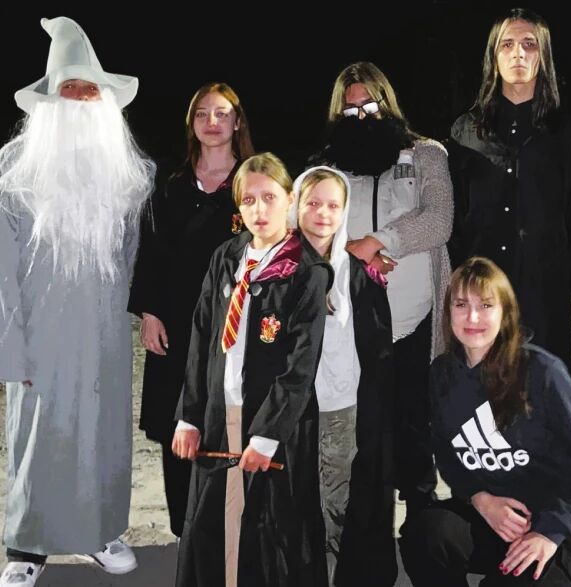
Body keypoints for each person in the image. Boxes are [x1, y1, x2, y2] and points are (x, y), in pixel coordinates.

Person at [0, 16, 155, 587]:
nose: (80, 99)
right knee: (39, 437)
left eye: (89, 90)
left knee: (101, 433)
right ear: (49, 99)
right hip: (40, 335)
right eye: (69, 89)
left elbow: (135, 258)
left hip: (102, 335)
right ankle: (27, 546)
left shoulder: (128, 173)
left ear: (104, 100)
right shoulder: (14, 168)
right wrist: (9, 351)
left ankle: (99, 531)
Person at [172, 153, 331, 587]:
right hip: (219, 414)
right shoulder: (227, 257)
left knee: (267, 533)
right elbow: (202, 336)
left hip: (270, 422)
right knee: (212, 524)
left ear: (290, 199)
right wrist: (189, 415)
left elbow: (301, 365)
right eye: (248, 200)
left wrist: (267, 435)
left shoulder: (306, 272)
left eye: (269, 197)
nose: (259, 210)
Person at [402, 257, 571, 586]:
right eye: (461, 304)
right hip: (492, 517)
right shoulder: (442, 374)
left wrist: (549, 533)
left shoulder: (542, 371)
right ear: (448, 311)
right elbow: (448, 454)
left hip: (555, 526)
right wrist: (480, 499)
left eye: (486, 305)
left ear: (505, 312)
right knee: (426, 534)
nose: (473, 317)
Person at [313, 61, 453, 522]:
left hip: (417, 319)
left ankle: (423, 531)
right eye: (350, 109)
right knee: (364, 434)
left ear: (387, 102)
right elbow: (312, 230)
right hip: (354, 322)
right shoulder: (325, 164)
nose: (362, 115)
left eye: (370, 105)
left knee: (416, 428)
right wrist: (354, 255)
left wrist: (379, 241)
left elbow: (439, 219)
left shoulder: (426, 153)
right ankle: (365, 534)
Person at [127, 82, 254, 537]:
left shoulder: (253, 182)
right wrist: (149, 313)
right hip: (177, 324)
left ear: (237, 122)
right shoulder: (171, 184)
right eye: (202, 114)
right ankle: (186, 531)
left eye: (221, 113)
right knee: (177, 424)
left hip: (236, 326)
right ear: (191, 124)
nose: (211, 122)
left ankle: (234, 528)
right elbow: (151, 250)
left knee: (230, 423)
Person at [447, 8, 571, 381]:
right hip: (482, 296)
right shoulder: (465, 132)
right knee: (481, 397)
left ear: (543, 56)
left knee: (542, 395)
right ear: (493, 56)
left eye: (529, 44)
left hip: (544, 295)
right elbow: (455, 220)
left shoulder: (568, 133)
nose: (518, 54)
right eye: (507, 44)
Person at [293, 166, 398, 586]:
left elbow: (377, 346)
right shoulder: (276, 268)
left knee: (339, 504)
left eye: (333, 205)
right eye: (313, 203)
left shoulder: (357, 270)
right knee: (299, 505)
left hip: (342, 409)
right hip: (294, 414)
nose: (323, 213)